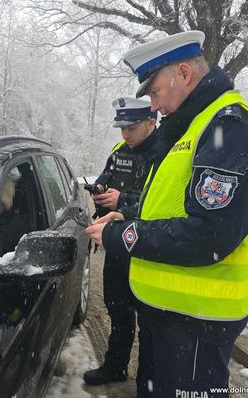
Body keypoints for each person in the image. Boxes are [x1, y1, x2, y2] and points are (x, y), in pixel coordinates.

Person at [85, 30, 248, 397]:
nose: (153, 107)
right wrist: (127, 218)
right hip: (169, 316)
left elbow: (210, 235)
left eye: (155, 92)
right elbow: (170, 206)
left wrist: (121, 236)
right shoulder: (191, 127)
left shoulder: (231, 128)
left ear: (185, 74)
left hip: (197, 324)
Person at [83, 97, 157, 385]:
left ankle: (149, 383)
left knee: (149, 322)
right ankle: (115, 367)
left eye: (132, 127)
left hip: (147, 248)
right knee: (118, 309)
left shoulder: (163, 153)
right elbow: (106, 175)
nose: (125, 134)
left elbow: (160, 203)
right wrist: (100, 189)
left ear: (151, 123)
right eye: (122, 128)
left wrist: (122, 201)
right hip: (117, 244)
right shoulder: (119, 150)